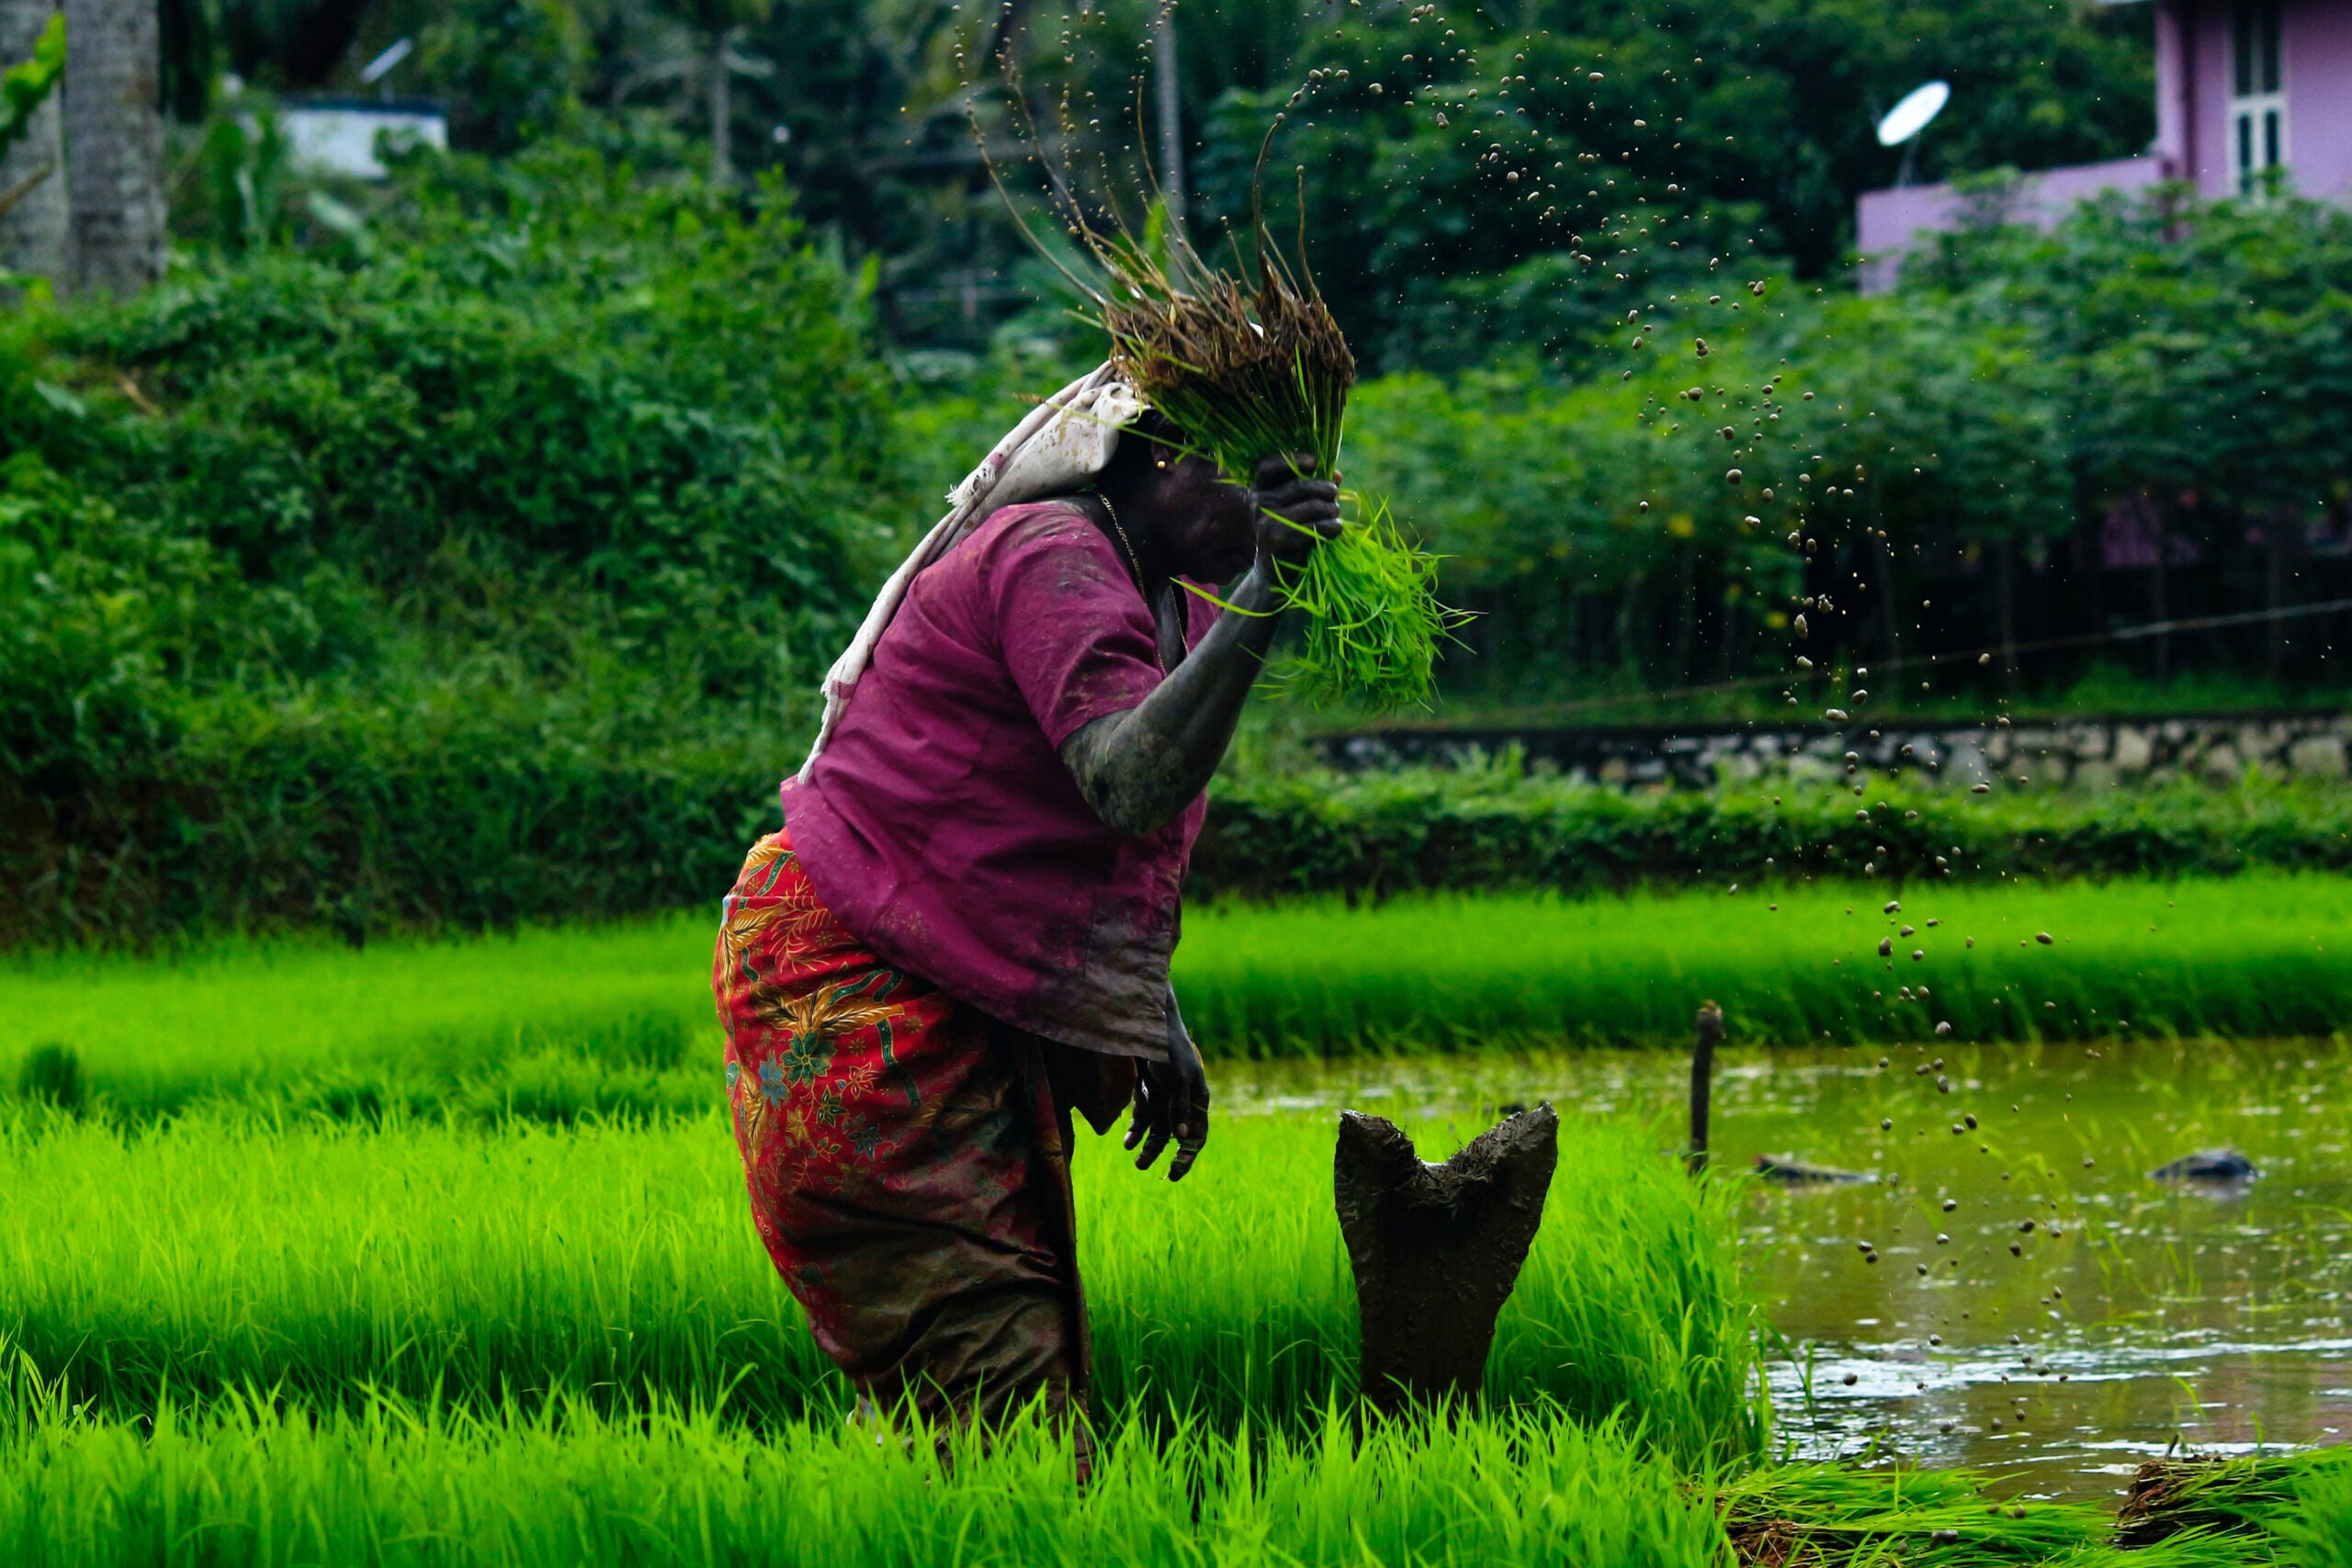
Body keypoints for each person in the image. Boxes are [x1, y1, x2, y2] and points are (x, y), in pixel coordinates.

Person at [710, 365, 1340, 1450]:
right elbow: (1124, 779)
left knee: (974, 1384)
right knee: (995, 1382)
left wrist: (1146, 1011)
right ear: (1168, 457)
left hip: (934, 965)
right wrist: (1269, 592)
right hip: (854, 981)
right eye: (1262, 476)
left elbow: (1069, 846)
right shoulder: (1051, 555)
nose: (1285, 500)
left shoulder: (1166, 592)